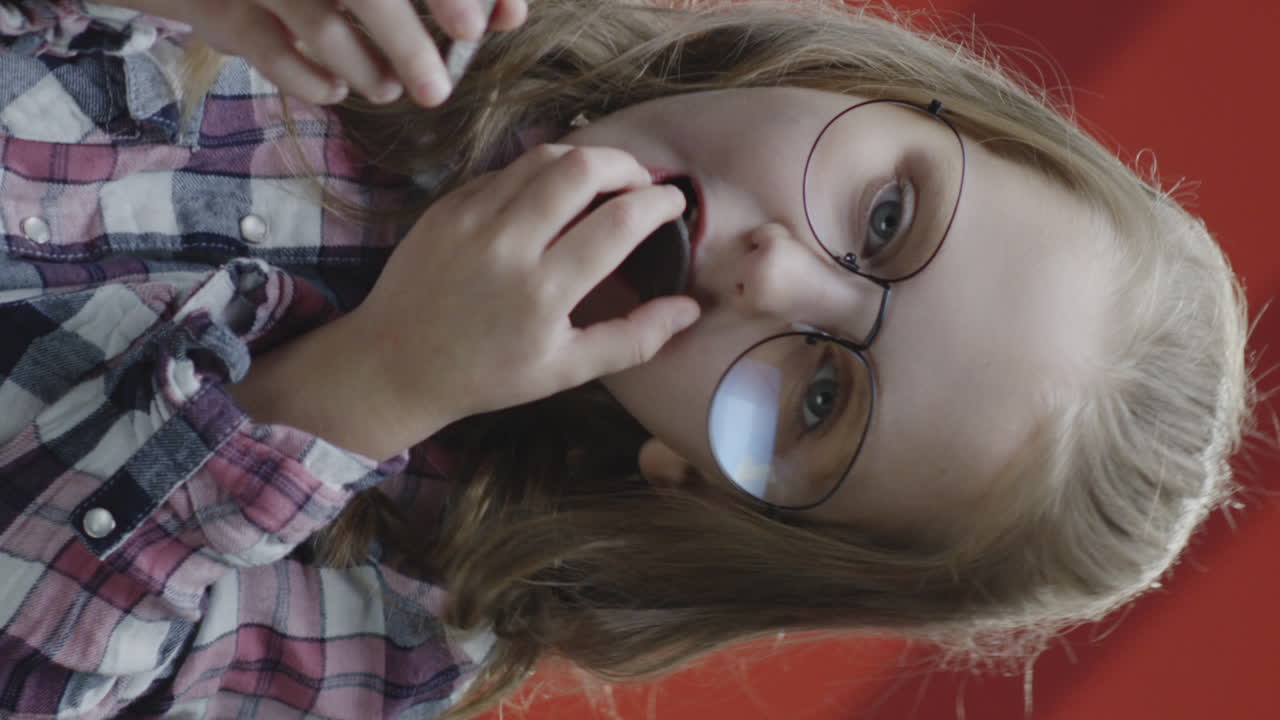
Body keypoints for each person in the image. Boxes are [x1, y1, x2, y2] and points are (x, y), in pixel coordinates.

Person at [0, 0, 1251, 718]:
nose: (770, 275)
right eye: (882, 220)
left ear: (704, 490)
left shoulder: (395, 627)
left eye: (819, 396)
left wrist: (367, 386)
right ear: (842, 83)